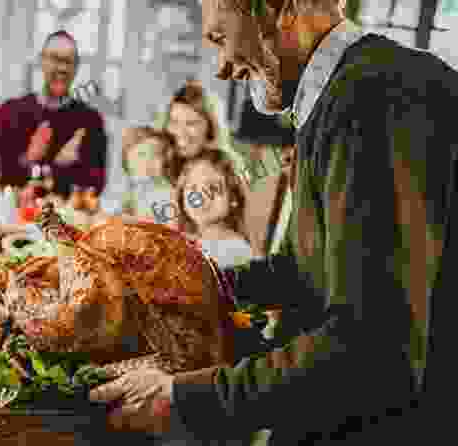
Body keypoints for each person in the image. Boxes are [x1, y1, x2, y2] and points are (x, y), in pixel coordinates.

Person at [90, 0, 455, 444]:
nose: (222, 68)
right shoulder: (337, 94)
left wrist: (185, 398)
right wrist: (179, 290)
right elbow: (304, 270)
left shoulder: (381, 94)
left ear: (278, 8)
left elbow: (373, 348)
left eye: (221, 38)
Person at [0, 30, 108, 197]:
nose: (62, 67)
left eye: (69, 61)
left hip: (65, 219)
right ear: (42, 61)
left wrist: (59, 166)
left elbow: (96, 186)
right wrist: (28, 158)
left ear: (76, 67)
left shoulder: (91, 120)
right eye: (55, 59)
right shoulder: (8, 112)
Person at [173, 150, 254, 265]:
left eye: (213, 188)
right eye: (193, 188)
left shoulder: (234, 249)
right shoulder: (186, 243)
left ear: (233, 197)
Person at [161, 79, 249, 184]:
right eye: (174, 122)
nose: (180, 131)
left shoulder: (229, 167)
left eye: (191, 123)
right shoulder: (158, 159)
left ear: (209, 129)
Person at [98, 126, 175, 222]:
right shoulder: (125, 186)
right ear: (127, 159)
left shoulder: (166, 192)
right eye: (141, 154)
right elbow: (109, 208)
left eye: (156, 154)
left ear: (165, 160)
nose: (148, 161)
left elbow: (166, 220)